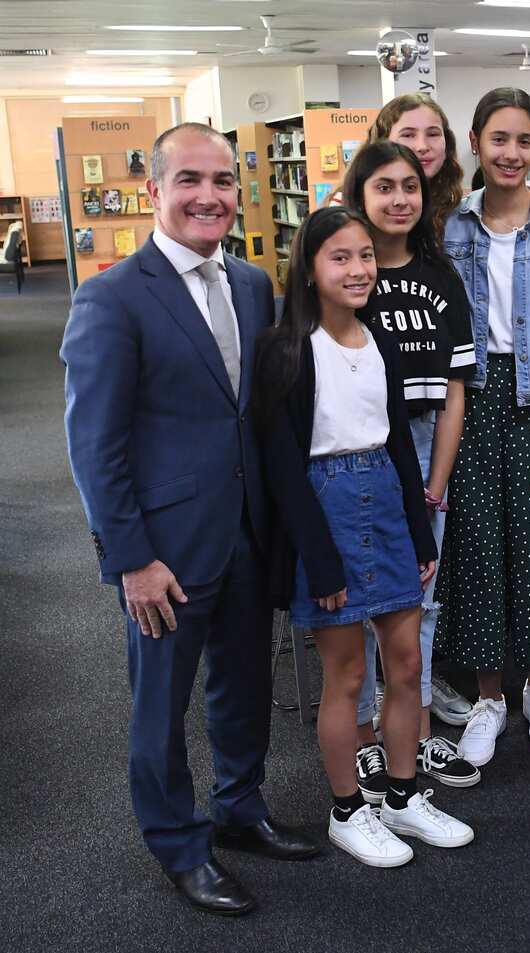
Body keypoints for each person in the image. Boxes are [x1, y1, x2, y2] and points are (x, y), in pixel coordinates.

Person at [61, 123, 320, 916]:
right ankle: (179, 843)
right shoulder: (111, 297)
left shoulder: (251, 283)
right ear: (154, 192)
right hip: (164, 550)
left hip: (245, 531)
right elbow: (94, 444)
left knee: (244, 683)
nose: (209, 196)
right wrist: (130, 558)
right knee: (161, 706)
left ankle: (240, 807)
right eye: (189, 181)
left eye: (222, 181)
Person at [254, 205, 474, 867]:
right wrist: (320, 560)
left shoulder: (379, 338)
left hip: (385, 497)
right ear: (309, 268)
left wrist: (421, 534)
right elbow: (283, 468)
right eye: (340, 257)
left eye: (366, 256)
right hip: (327, 506)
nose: (358, 269)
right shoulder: (286, 348)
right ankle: (348, 810)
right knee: (347, 675)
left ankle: (402, 796)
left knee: (406, 664)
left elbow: (400, 444)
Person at [434, 88, 530, 766]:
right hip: (469, 399)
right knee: (476, 549)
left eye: (524, 140)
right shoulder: (450, 227)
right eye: (499, 138)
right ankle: (489, 697)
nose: (511, 153)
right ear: (475, 142)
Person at [340, 140, 482, 797]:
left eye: (409, 187)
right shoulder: (346, 273)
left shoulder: (441, 277)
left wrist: (435, 484)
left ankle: (418, 732)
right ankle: (367, 742)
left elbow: (454, 392)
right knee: (362, 604)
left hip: (426, 451)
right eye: (383, 187)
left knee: (419, 603)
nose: (399, 199)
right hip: (357, 454)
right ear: (360, 195)